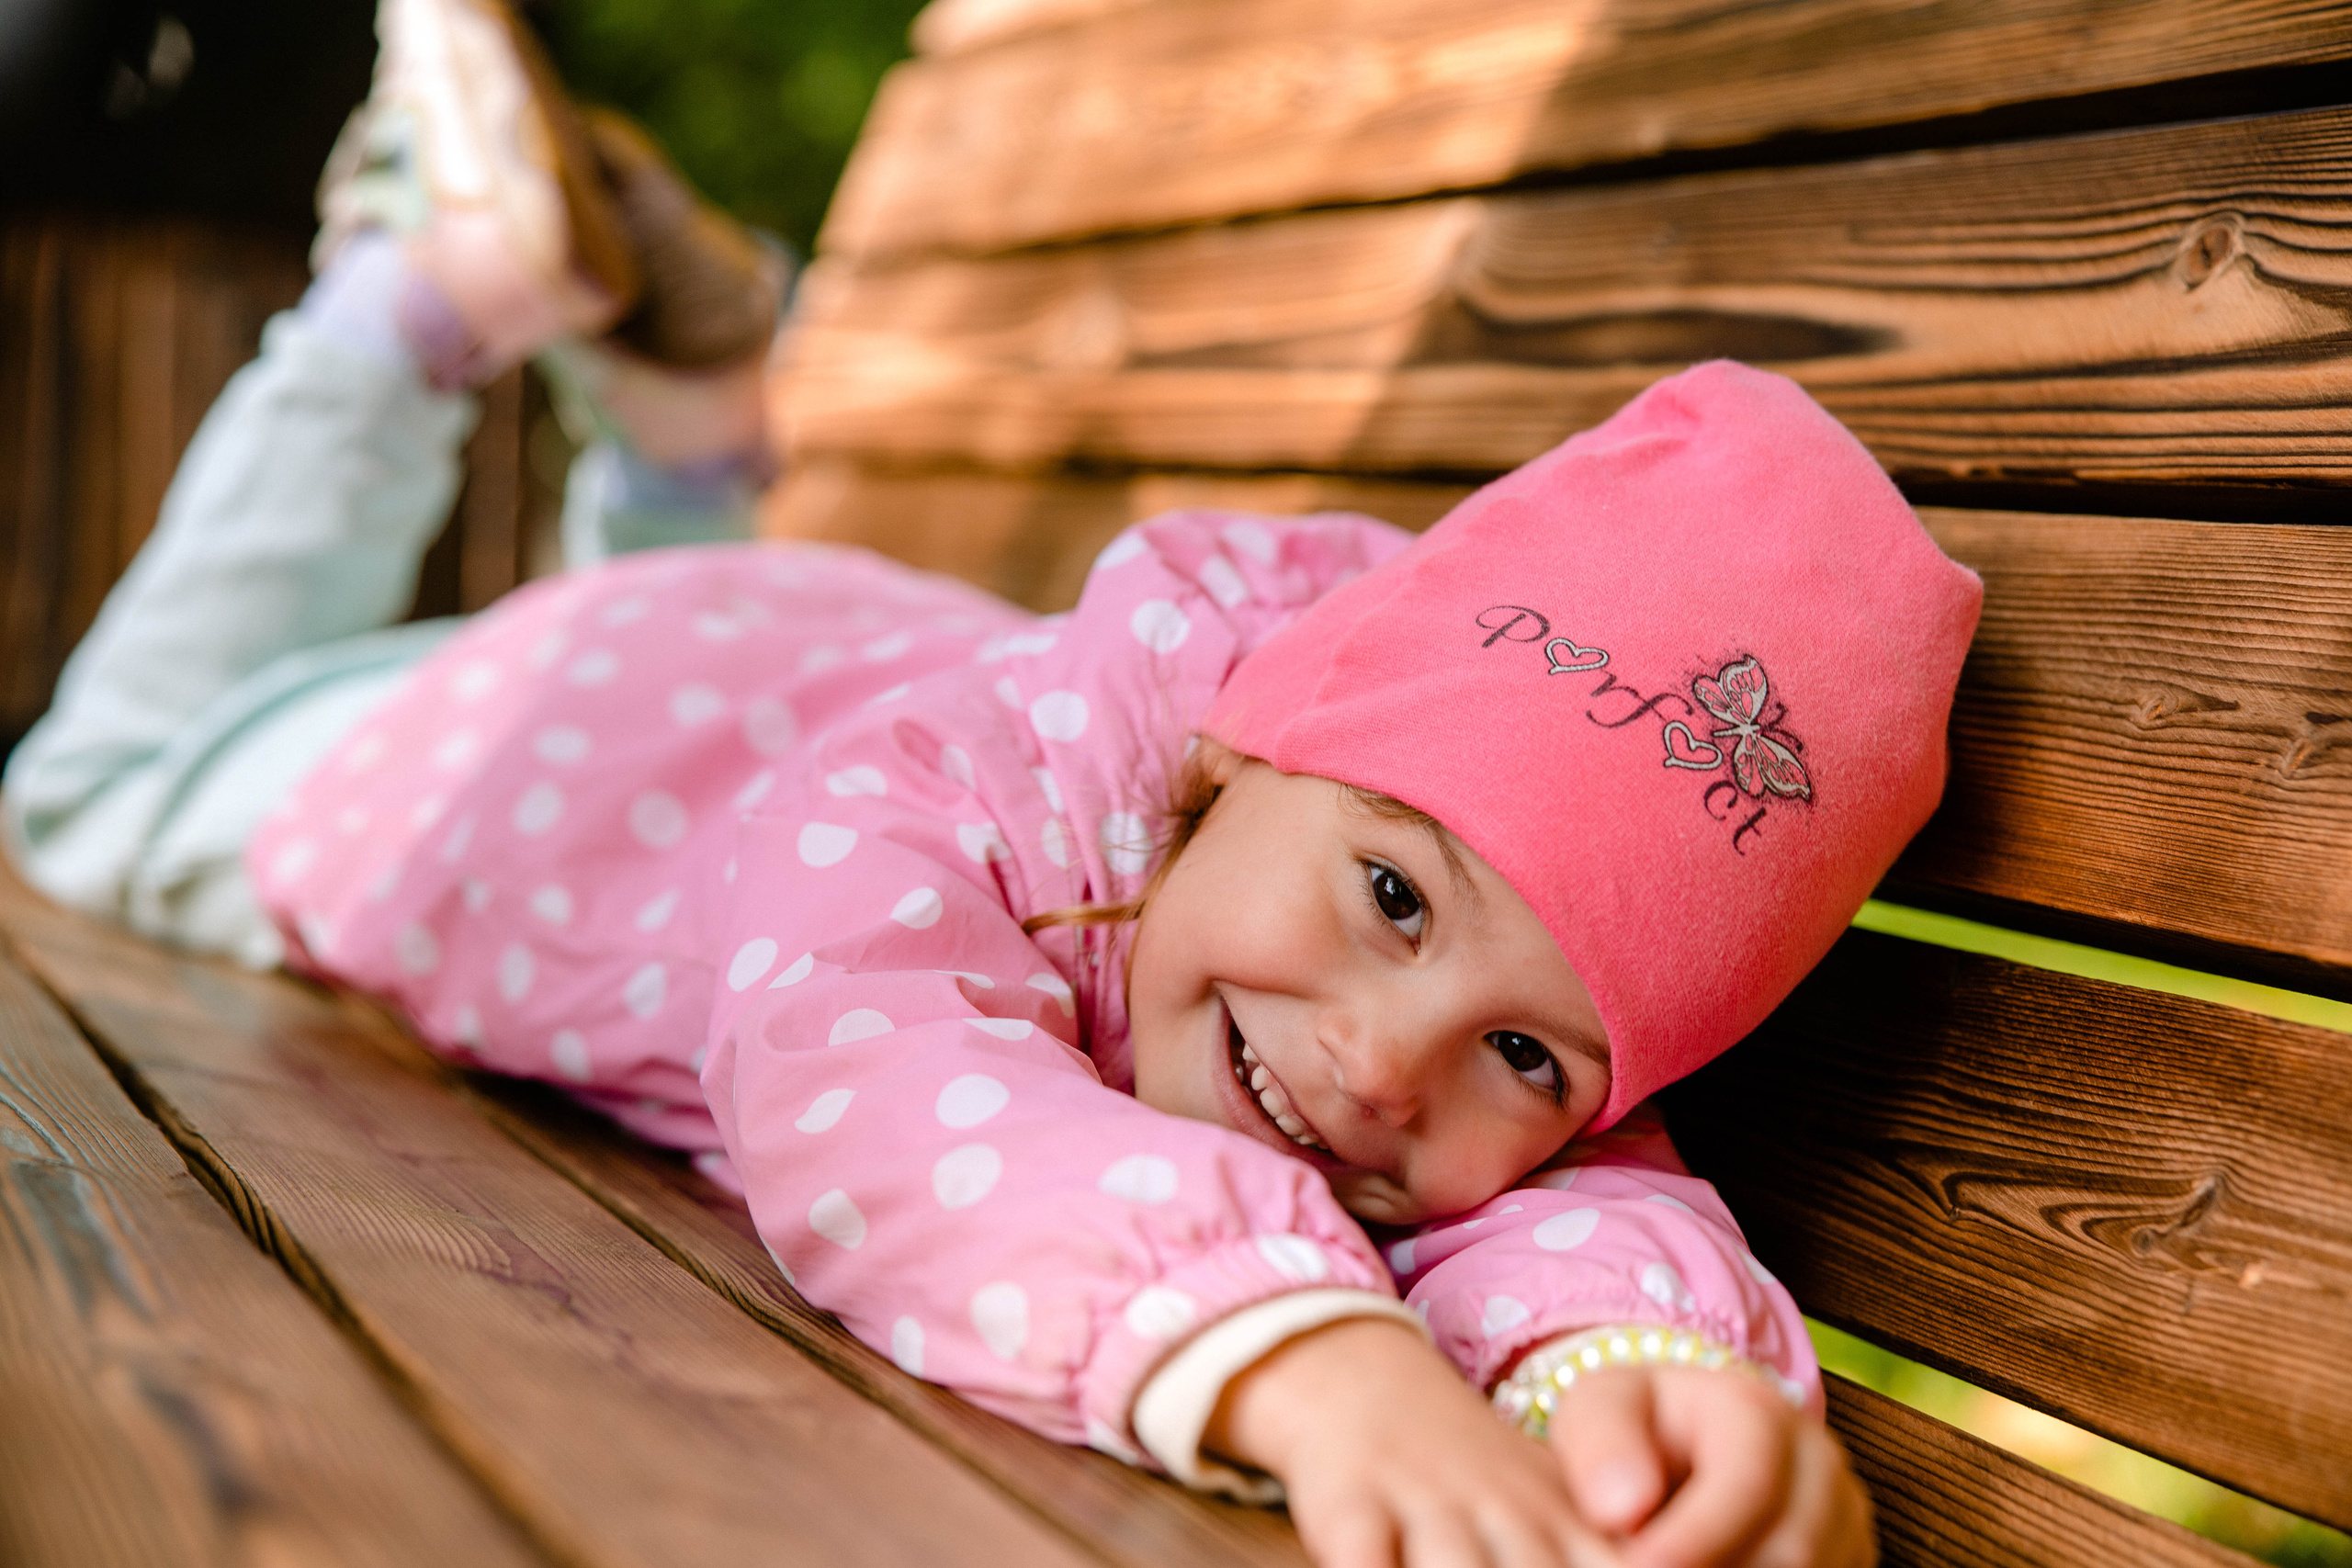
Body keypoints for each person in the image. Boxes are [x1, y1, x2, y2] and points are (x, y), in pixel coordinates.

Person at [2, 3, 1984, 1564]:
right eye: (1392, 897)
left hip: (742, 657)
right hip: (512, 755)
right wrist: (1297, 1345)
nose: (1392, 1070)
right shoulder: (968, 803)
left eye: (1532, 1060)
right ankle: (416, 298)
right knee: (82, 800)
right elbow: (854, 1045)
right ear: (1249, 740)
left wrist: (1640, 1370)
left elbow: (1588, 1202)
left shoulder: (1372, 934)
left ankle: (685, 423)